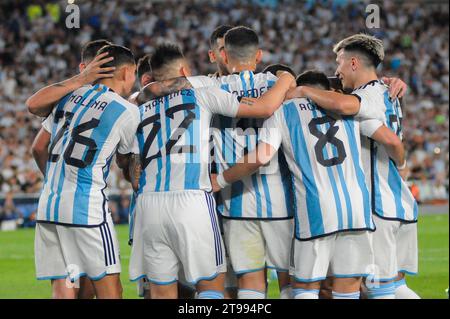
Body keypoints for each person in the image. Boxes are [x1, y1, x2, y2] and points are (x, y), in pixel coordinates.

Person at [212, 70, 405, 299]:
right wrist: (401, 167)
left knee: (306, 287)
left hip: (316, 210)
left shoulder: (284, 112)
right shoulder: (350, 108)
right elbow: (391, 139)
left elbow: (261, 157)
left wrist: (222, 178)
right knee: (348, 287)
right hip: (357, 210)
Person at [128, 42, 296, 299]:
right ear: (184, 70)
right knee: (210, 284)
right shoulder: (203, 93)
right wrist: (286, 79)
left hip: (148, 203)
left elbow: (128, 158)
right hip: (192, 198)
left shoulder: (138, 105)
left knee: (161, 291)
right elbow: (263, 108)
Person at [288, 33, 419, 299]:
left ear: (354, 63)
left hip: (376, 204)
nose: (337, 70)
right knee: (395, 286)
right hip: (397, 200)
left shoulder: (366, 97)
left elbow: (391, 140)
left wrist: (303, 90)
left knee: (377, 290)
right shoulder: (385, 91)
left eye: (340, 62)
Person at [30, 44, 140, 299]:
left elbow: (38, 147)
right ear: (126, 73)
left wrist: (56, 178)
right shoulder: (126, 110)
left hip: (49, 205)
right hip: (86, 207)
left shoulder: (67, 97)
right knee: (111, 291)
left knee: (64, 291)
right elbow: (128, 162)